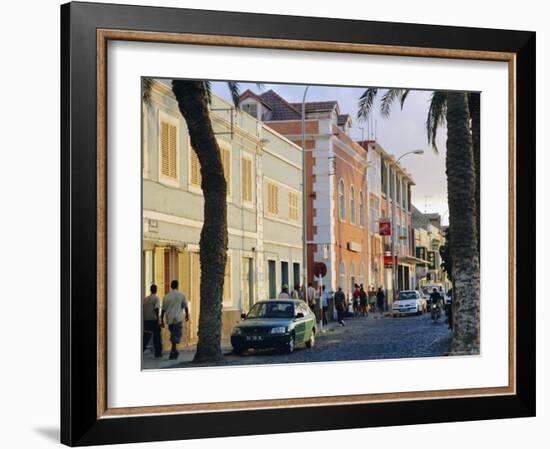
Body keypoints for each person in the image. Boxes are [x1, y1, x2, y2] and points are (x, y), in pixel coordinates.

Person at [161, 280, 189, 360]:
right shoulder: (181, 295)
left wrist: (162, 320)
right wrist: (187, 315)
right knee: (176, 335)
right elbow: (185, 306)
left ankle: (175, 350)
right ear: (177, 286)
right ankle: (173, 351)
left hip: (169, 319)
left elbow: (163, 309)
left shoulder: (166, 296)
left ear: (171, 286)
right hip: (178, 318)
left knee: (174, 334)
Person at [143, 284, 162, 358]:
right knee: (157, 337)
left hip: (146, 320)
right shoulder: (156, 298)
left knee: (146, 336)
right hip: (153, 320)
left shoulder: (146, 299)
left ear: (150, 290)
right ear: (156, 290)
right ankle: (158, 353)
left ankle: (141, 349)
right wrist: (158, 319)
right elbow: (156, 308)